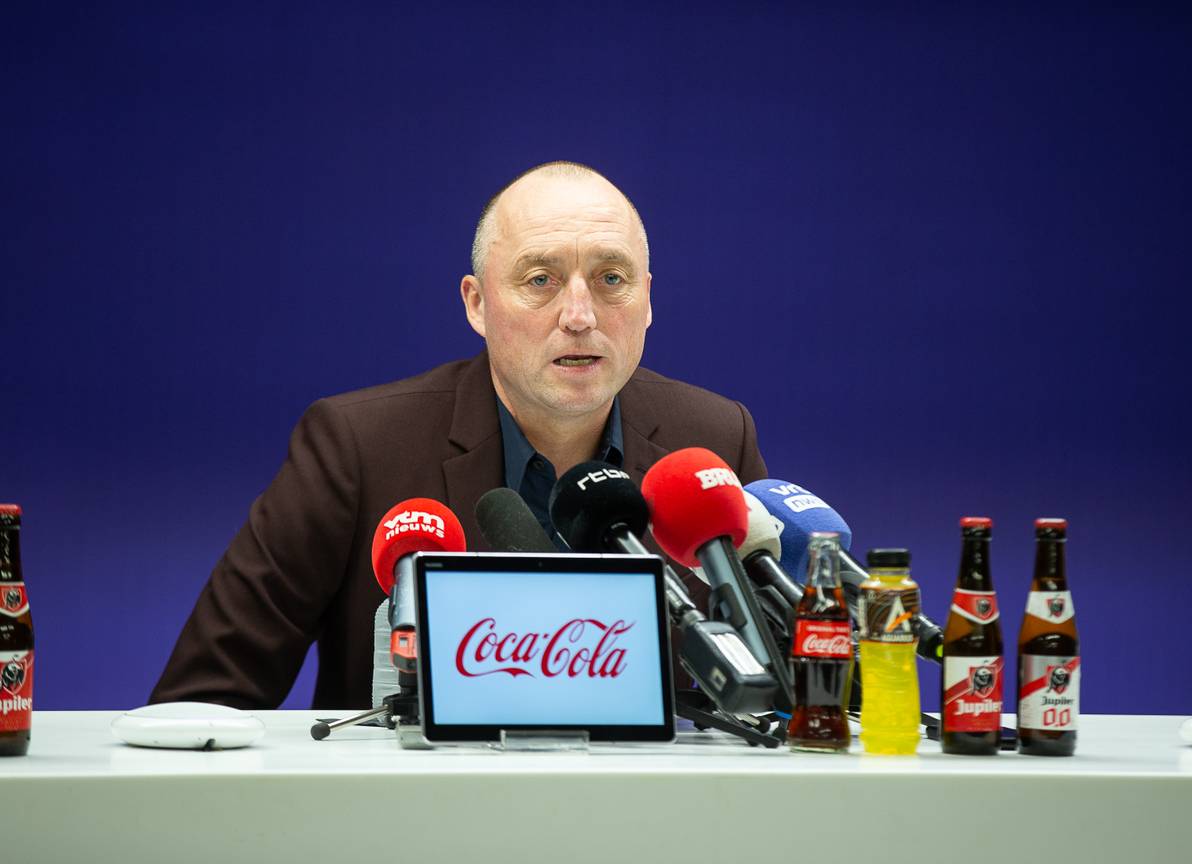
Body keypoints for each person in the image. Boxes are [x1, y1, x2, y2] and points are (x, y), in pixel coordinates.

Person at [151, 162, 768, 709]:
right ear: (476, 304)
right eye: (540, 280)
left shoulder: (713, 440)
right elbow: (200, 703)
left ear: (648, 300)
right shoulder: (358, 447)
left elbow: (787, 690)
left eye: (611, 279)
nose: (580, 317)